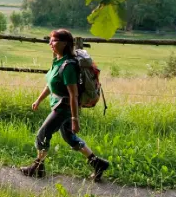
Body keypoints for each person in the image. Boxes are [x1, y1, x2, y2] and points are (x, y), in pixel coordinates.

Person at [20, 29, 109, 180]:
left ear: (65, 43)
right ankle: (97, 163)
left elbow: (73, 94)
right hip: (60, 105)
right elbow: (50, 84)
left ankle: (37, 167)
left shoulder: (68, 66)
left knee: (42, 135)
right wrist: (39, 100)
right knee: (69, 137)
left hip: (64, 107)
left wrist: (75, 119)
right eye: (50, 40)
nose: (50, 44)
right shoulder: (57, 60)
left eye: (53, 41)